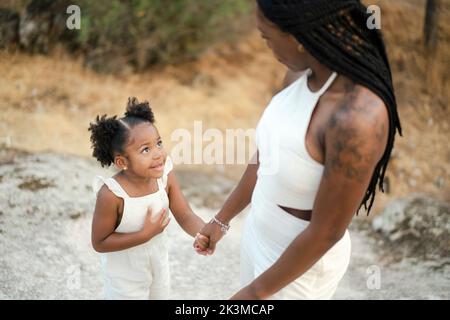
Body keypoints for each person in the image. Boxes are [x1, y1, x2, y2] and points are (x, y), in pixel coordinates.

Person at [194, 0, 402, 300]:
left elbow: (326, 232)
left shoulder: (356, 118)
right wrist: (221, 220)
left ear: (298, 36)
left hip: (300, 266)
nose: (266, 46)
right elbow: (269, 157)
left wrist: (255, 293)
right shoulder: (299, 74)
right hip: (259, 231)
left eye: (267, 37)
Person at [89, 97, 208, 299]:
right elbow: (100, 242)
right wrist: (145, 235)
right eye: (145, 149)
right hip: (124, 281)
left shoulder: (164, 177)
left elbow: (185, 215)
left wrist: (203, 233)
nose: (158, 154)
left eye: (159, 143)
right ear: (122, 161)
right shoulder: (112, 194)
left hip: (159, 269)